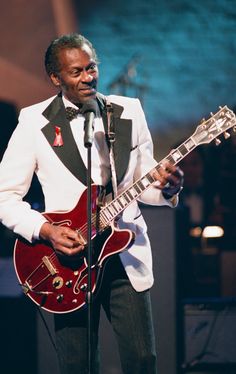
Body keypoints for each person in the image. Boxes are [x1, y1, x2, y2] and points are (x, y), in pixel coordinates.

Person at [0, 33, 184, 374]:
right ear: (56, 78)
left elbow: (141, 182)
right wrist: (46, 229)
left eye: (92, 67)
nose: (89, 77)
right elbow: (4, 196)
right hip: (67, 261)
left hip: (123, 253)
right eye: (76, 72)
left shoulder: (128, 111)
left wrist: (167, 188)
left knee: (144, 360)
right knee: (78, 364)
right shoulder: (33, 122)